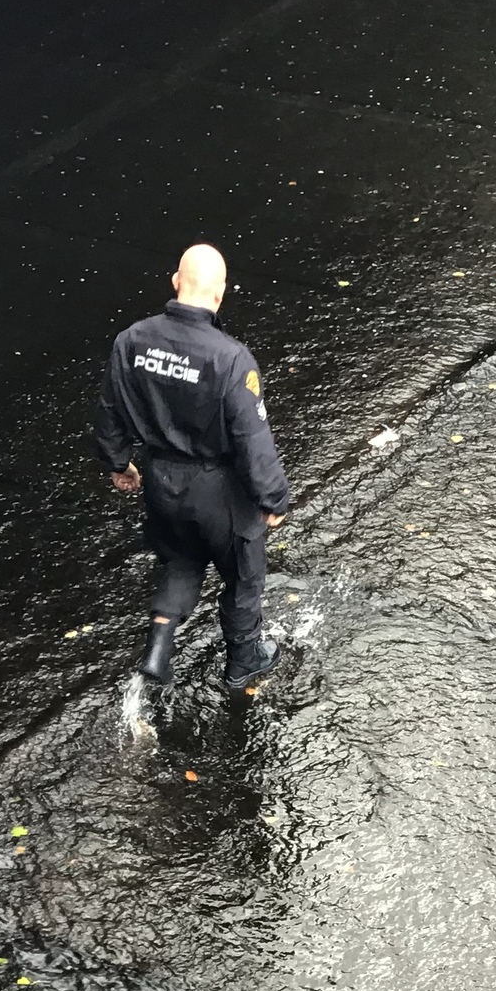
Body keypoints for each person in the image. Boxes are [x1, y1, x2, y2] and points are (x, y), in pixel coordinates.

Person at [95, 243, 290, 688]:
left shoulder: (132, 341)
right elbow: (250, 436)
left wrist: (119, 462)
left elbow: (110, 407)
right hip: (217, 489)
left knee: (180, 561)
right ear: (220, 296)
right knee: (243, 572)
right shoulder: (231, 359)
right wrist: (272, 497)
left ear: (175, 281)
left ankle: (159, 651)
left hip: (161, 481)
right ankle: (245, 660)